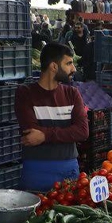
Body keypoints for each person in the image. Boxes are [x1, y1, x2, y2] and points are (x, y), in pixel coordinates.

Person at [15, 43, 89, 192]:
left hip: (69, 170)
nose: (73, 69)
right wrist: (67, 132)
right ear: (54, 67)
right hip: (36, 171)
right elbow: (31, 133)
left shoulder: (72, 93)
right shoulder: (25, 93)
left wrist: (45, 135)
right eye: (68, 63)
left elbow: (82, 131)